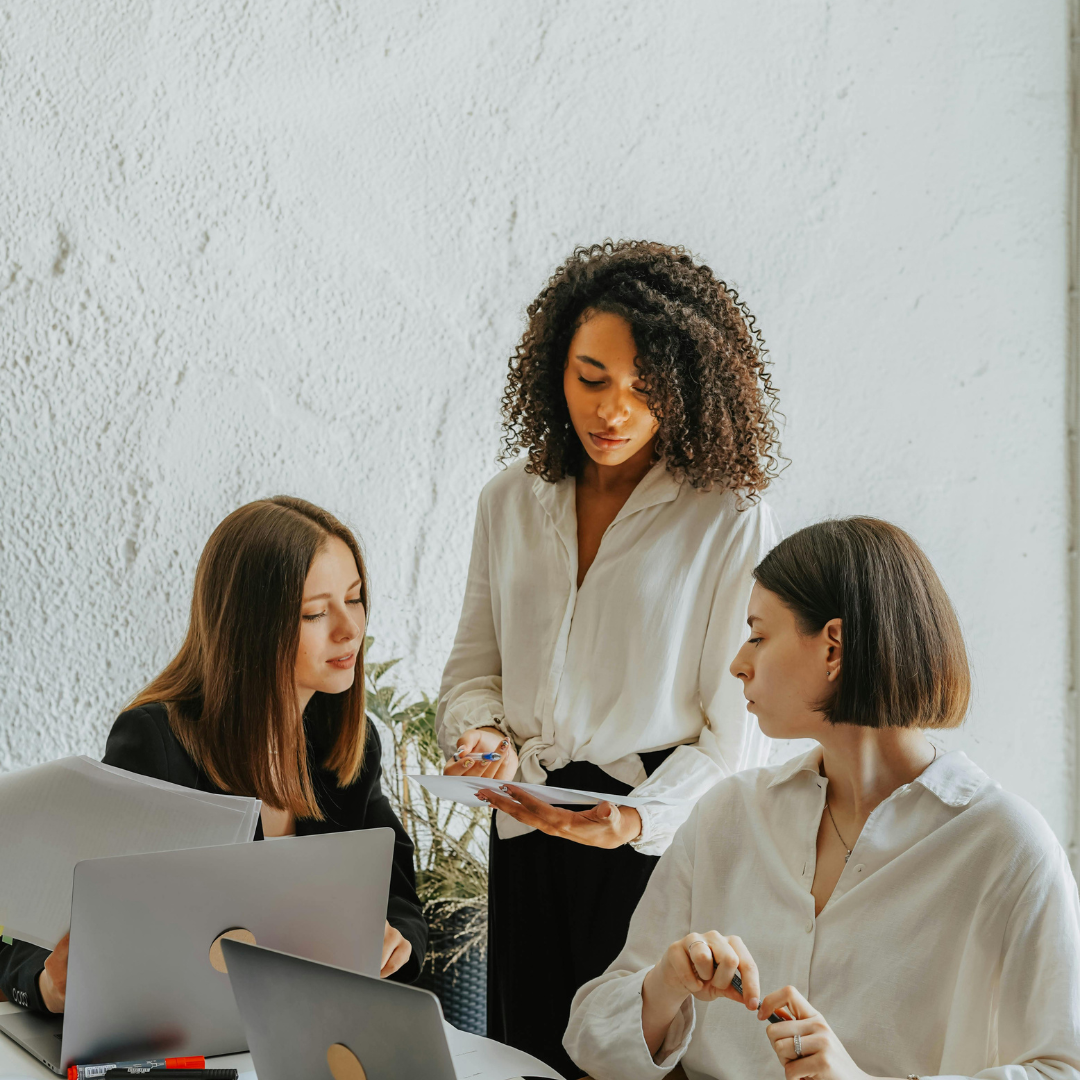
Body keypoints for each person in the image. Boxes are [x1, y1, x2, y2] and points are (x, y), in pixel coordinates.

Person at [564, 517, 1080, 1080]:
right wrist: (664, 986)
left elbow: (1061, 1070)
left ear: (833, 646)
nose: (739, 662)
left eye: (759, 634)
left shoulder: (1007, 848)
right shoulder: (728, 815)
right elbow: (589, 1043)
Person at [436, 240, 783, 1075]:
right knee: (522, 1059)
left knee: (630, 1063)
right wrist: (485, 737)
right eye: (592, 378)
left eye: (644, 388)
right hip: (523, 828)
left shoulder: (726, 519)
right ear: (555, 369)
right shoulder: (509, 500)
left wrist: (635, 821)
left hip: (646, 848)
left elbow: (736, 740)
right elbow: (471, 673)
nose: (613, 411)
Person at [0, 496, 427, 1014]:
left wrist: (393, 943)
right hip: (183, 1041)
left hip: (306, 1031)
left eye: (355, 599)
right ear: (251, 626)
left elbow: (399, 901)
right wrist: (50, 986)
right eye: (315, 611)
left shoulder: (349, 743)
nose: (350, 629)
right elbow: (36, 933)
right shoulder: (158, 743)